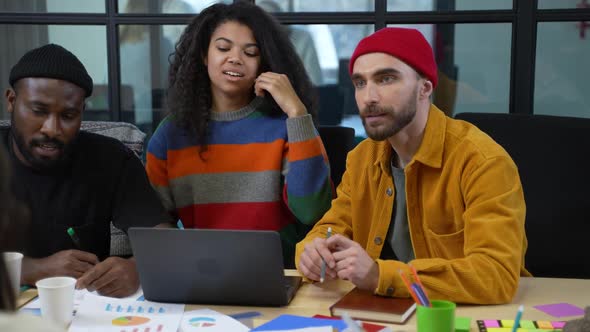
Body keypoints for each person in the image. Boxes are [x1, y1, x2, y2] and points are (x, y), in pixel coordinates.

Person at [296, 27, 529, 304]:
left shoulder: (482, 161)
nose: (369, 97)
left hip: (463, 315)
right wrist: (312, 252)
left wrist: (379, 275)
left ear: (425, 88)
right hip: (382, 310)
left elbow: (495, 276)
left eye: (386, 79)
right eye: (360, 83)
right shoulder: (362, 158)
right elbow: (332, 227)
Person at [146, 2, 333, 268]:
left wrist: (297, 112)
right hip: (202, 273)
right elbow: (155, 222)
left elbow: (313, 211)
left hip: (280, 272)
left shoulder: (289, 125)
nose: (235, 58)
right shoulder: (170, 134)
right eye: (223, 48)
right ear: (203, 55)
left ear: (263, 63)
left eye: (251, 52)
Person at [2, 44, 173, 297]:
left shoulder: (111, 160)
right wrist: (34, 269)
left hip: (87, 313)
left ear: (82, 112)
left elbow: (164, 240)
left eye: (68, 115)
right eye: (39, 111)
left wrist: (138, 268)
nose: (52, 128)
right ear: (11, 101)